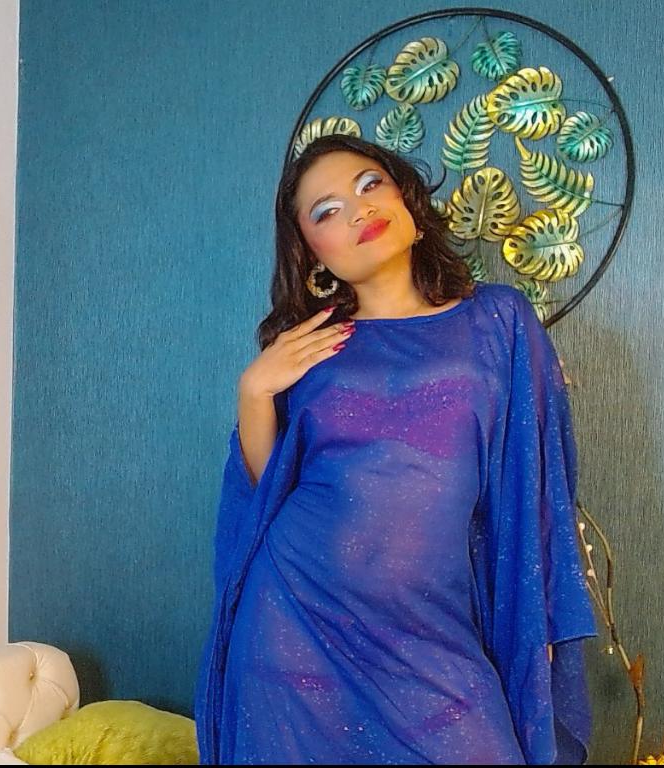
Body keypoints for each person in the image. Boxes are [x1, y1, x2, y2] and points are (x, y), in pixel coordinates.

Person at [192, 133, 599, 765]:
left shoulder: (499, 321)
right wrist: (254, 391)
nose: (357, 210)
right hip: (296, 619)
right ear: (311, 252)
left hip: (436, 628)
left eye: (369, 185)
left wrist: (539, 614)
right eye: (327, 211)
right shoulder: (309, 348)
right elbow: (262, 496)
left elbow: (541, 482)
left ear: (408, 202)